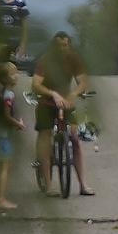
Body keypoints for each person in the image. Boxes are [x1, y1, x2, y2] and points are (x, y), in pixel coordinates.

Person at [31, 32, 94, 196]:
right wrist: (52, 93)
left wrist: (73, 94)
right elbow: (36, 84)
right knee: (45, 135)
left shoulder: (73, 59)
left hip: (66, 102)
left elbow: (82, 81)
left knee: (74, 138)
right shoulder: (45, 60)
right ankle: (49, 185)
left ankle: (82, 184)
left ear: (69, 45)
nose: (62, 49)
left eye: (65, 45)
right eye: (59, 46)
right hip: (46, 101)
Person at [0, 62, 25, 210]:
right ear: (5, 79)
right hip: (3, 135)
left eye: (16, 72)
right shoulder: (8, 94)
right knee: (4, 167)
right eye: (13, 73)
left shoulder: (4, 92)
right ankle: (0, 199)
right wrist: (18, 124)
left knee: (3, 165)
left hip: (1, 133)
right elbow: (6, 115)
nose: (16, 75)